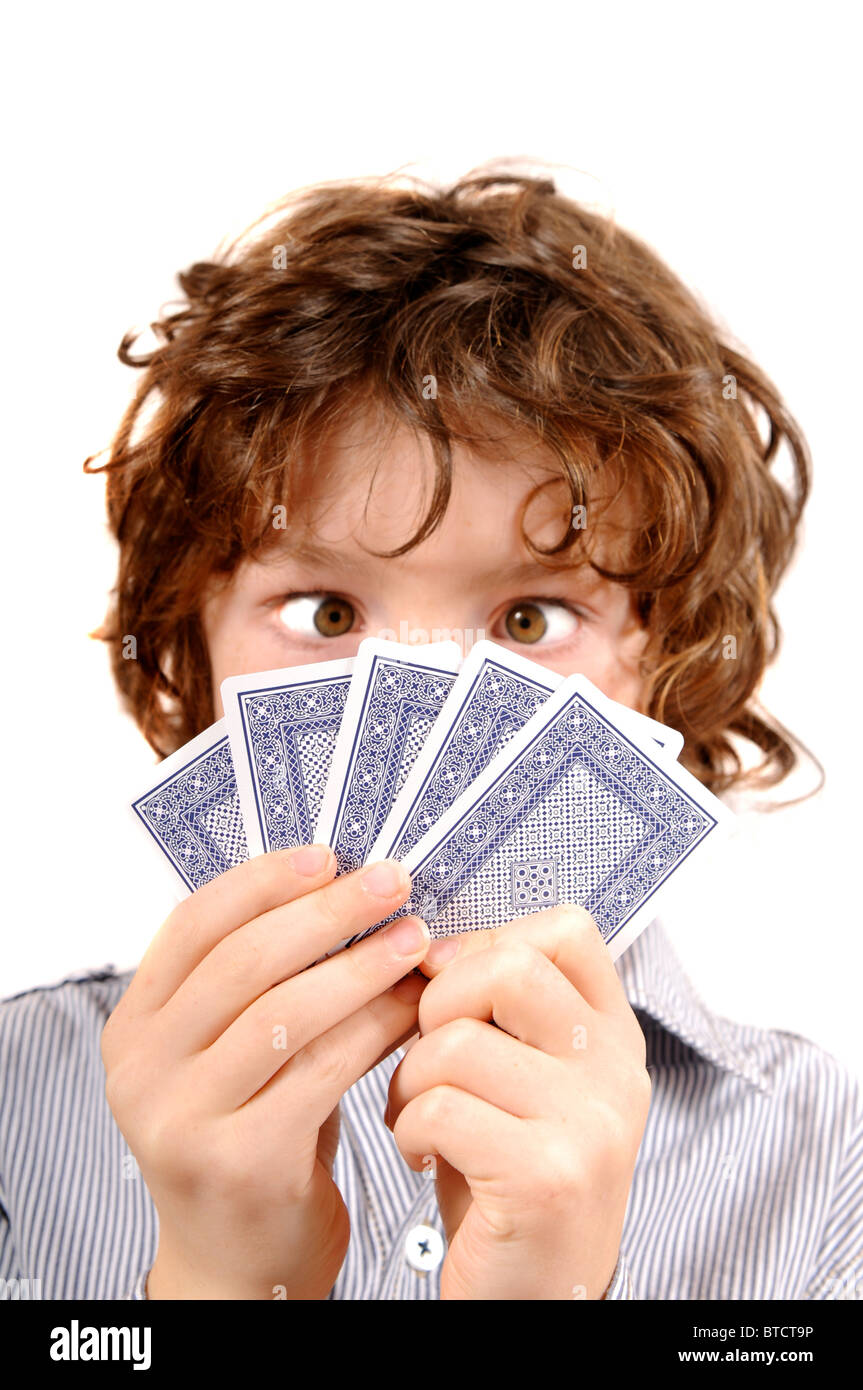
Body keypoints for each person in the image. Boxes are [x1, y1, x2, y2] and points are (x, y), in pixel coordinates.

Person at [1, 168, 859, 1300]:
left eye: (527, 618)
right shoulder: (20, 1105)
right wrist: (218, 1282)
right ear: (196, 653)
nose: (424, 701)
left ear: (659, 662)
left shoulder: (822, 1164)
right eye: (325, 613)